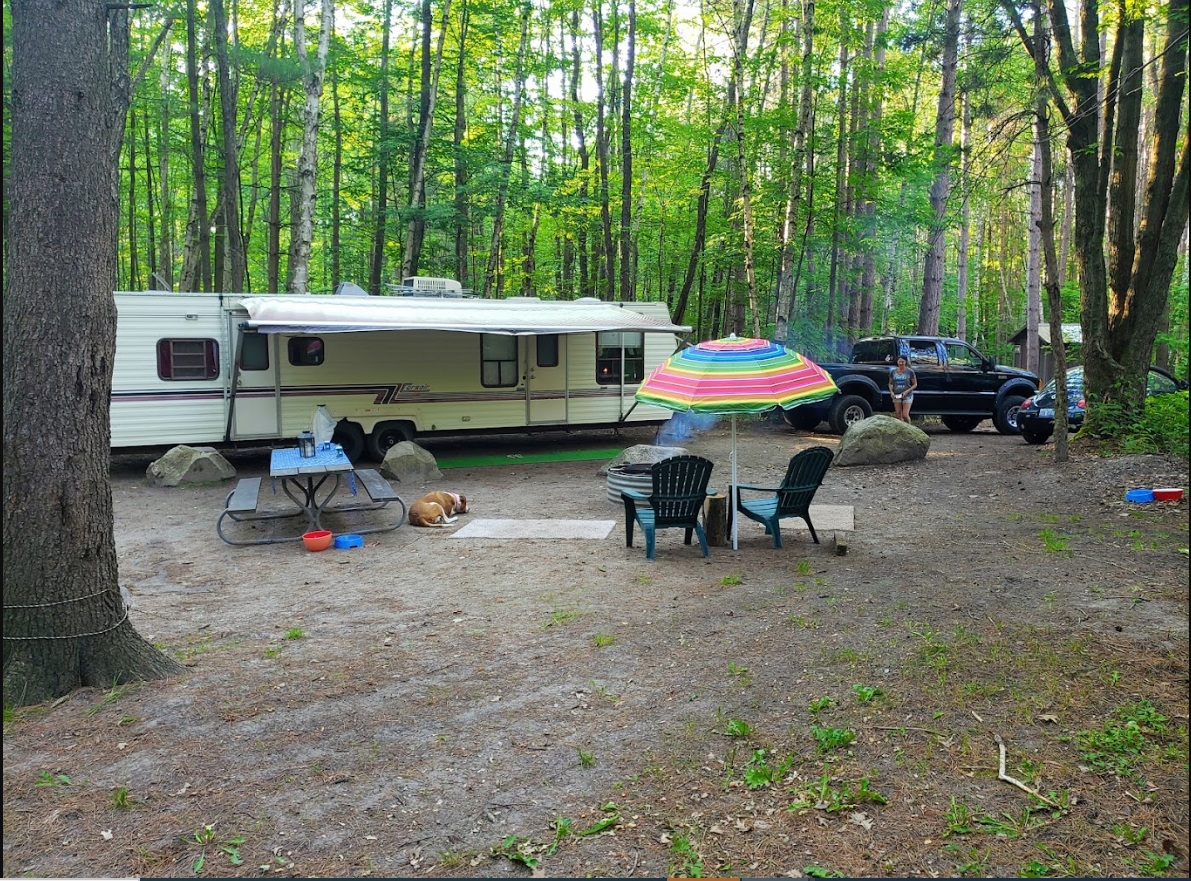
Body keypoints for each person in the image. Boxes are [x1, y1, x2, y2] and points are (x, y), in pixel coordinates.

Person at [889, 355, 918, 423]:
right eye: (899, 361)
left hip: (907, 395)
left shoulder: (910, 372)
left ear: (905, 362)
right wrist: (891, 392)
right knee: (898, 414)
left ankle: (909, 428)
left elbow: (915, 384)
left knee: (905, 414)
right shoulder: (893, 372)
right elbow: (890, 383)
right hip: (897, 394)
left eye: (902, 362)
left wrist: (906, 391)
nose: (901, 363)